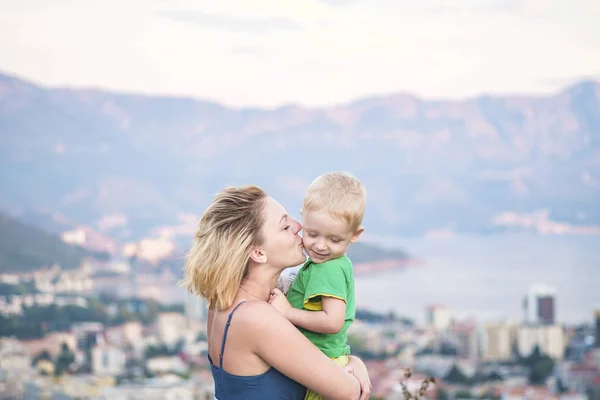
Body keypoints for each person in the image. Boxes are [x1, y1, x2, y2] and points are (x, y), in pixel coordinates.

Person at [181, 185, 371, 400]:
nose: (298, 226)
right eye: (284, 226)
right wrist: (354, 365)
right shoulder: (256, 316)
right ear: (258, 252)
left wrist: (351, 363)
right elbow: (349, 392)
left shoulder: (226, 301)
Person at [269, 172, 366, 400]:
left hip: (323, 363)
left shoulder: (327, 268)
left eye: (334, 240)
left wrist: (287, 312)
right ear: (303, 219)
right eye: (312, 234)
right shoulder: (327, 264)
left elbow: (332, 322)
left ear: (355, 235)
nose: (320, 246)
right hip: (323, 360)